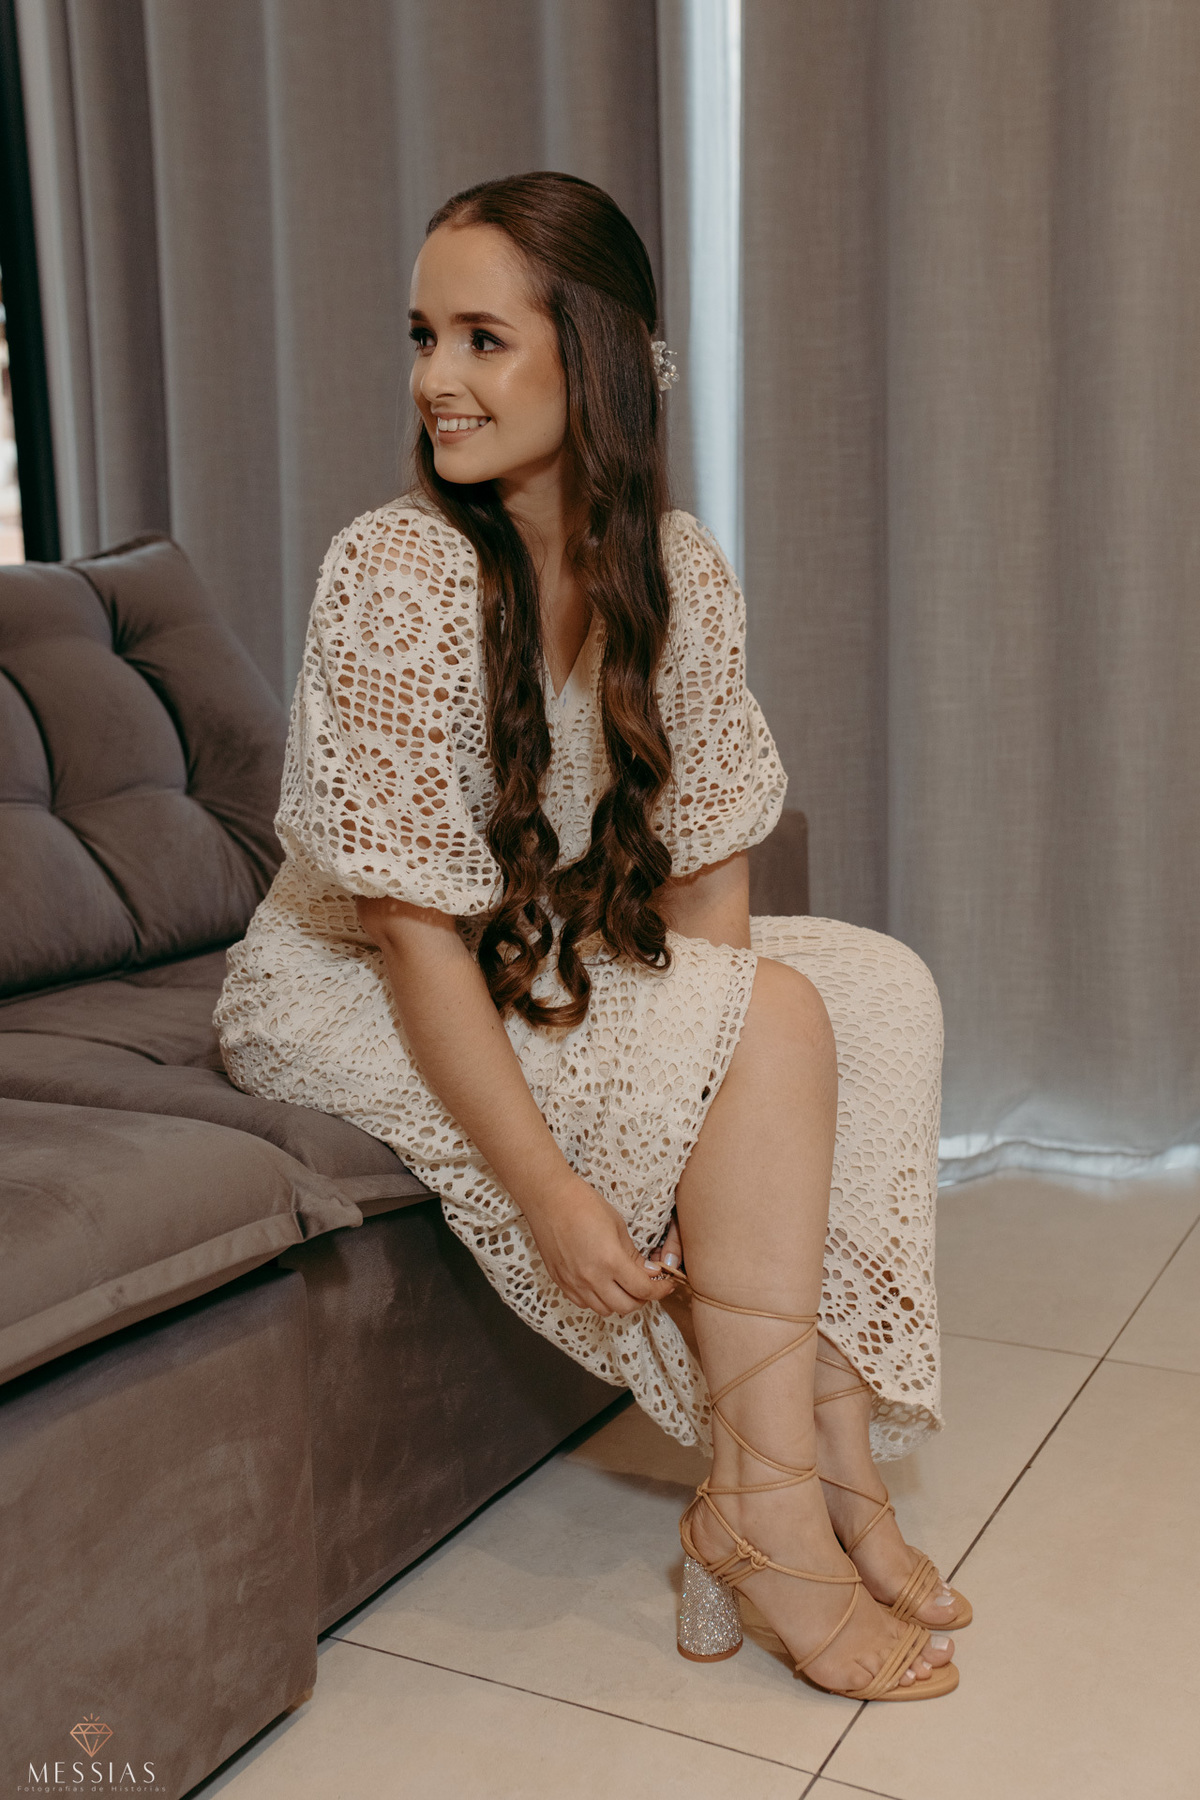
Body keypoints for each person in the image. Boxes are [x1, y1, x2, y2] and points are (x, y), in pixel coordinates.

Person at [217, 171, 964, 1701]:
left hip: (529, 957)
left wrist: (710, 1070)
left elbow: (706, 878)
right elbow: (411, 937)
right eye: (424, 335)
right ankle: (767, 1521)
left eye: (482, 338)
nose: (436, 377)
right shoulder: (395, 573)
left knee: (870, 992)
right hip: (351, 984)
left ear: (597, 359)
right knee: (764, 1026)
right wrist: (557, 1191)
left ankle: (824, 1459)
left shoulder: (673, 568)